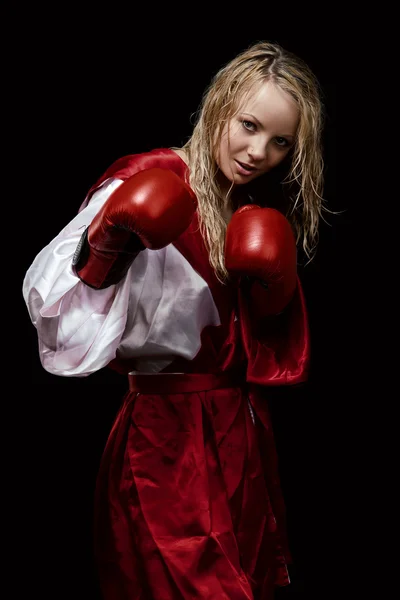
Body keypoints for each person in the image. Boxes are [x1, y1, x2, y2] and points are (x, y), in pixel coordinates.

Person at [23, 40, 326, 600]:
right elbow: (58, 325)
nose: (259, 151)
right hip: (163, 439)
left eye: (280, 142)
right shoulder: (145, 178)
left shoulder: (247, 211)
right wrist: (107, 244)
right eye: (249, 125)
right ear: (220, 103)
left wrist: (273, 292)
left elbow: (266, 349)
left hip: (238, 431)